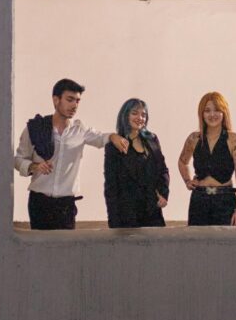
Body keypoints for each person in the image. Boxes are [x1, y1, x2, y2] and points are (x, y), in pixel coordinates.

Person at [14, 77, 129, 230]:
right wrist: (34, 166)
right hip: (39, 202)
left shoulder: (80, 130)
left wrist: (113, 136)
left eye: (77, 101)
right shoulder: (35, 128)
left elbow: (101, 137)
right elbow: (18, 159)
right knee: (39, 251)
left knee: (65, 251)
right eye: (70, 99)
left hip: (66, 205)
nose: (74, 105)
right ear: (56, 100)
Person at [178, 92, 236, 226]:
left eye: (217, 110)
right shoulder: (194, 138)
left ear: (224, 112)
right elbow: (182, 161)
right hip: (199, 200)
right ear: (201, 114)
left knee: (225, 245)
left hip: (225, 199)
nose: (212, 115)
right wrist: (187, 180)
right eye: (207, 110)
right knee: (197, 244)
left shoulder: (234, 139)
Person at [104, 98, 170, 228]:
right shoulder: (114, 146)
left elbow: (163, 169)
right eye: (135, 113)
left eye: (143, 115)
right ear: (125, 115)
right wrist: (114, 222)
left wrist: (163, 193)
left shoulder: (152, 139)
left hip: (152, 211)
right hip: (127, 216)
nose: (140, 118)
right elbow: (111, 187)